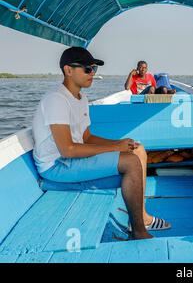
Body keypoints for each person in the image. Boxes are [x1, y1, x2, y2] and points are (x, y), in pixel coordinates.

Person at [32, 47, 170, 240]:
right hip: (56, 166)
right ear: (68, 70)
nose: (92, 73)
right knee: (130, 163)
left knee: (138, 150)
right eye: (87, 69)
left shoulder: (80, 98)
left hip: (72, 160)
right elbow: (67, 149)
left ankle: (142, 217)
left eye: (93, 69)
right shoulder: (57, 100)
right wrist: (116, 148)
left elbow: (86, 137)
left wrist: (121, 143)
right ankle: (139, 231)